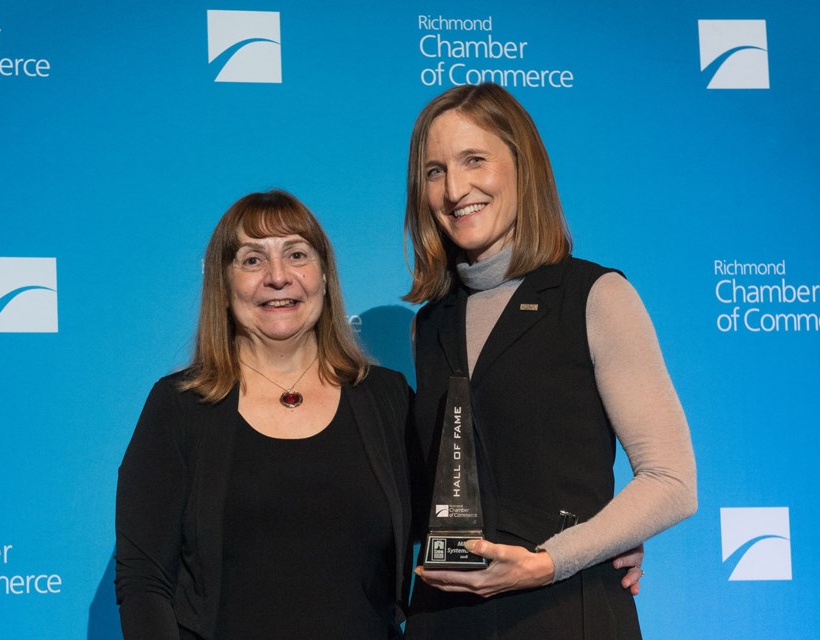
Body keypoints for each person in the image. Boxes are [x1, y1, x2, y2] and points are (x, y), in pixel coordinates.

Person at [403, 83, 698, 639]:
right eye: (435, 171)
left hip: (564, 610)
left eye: (475, 160)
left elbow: (671, 479)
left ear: (523, 165)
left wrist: (553, 559)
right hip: (444, 620)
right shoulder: (430, 323)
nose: (455, 188)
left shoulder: (595, 295)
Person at [115, 190, 414, 639]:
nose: (278, 277)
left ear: (325, 275)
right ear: (224, 281)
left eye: (297, 254)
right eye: (252, 260)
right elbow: (144, 580)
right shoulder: (179, 406)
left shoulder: (387, 399)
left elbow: (446, 538)